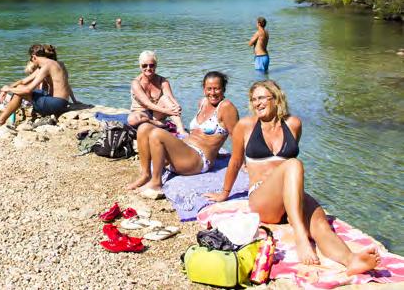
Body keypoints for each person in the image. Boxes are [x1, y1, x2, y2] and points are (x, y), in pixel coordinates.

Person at [204, 80, 380, 274]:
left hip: (291, 195)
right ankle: (301, 237)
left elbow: (289, 163)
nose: (256, 103)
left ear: (276, 98)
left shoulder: (294, 124)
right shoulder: (245, 126)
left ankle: (351, 260)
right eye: (253, 99)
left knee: (321, 223)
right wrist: (225, 193)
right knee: (293, 164)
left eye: (261, 98)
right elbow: (236, 161)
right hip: (263, 199)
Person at [127, 71, 239, 199]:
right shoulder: (203, 102)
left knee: (157, 134)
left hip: (198, 160)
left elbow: (237, 137)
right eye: (209, 89)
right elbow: (201, 134)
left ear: (224, 89)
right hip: (184, 150)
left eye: (217, 89)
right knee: (144, 128)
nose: (212, 93)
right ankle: (146, 174)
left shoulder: (226, 107)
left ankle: (156, 183)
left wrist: (244, 163)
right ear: (204, 89)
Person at [0, 44, 78, 127]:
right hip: (62, 102)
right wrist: (5, 89)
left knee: (20, 91)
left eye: (31, 60)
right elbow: (24, 81)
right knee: (20, 88)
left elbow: (28, 90)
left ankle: (0, 121)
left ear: (34, 57)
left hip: (56, 104)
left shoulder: (47, 66)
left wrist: (8, 89)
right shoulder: (55, 64)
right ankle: (2, 120)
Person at [127, 50, 187, 136]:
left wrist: (177, 106)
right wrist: (167, 111)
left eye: (151, 65)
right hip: (141, 113)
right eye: (144, 65)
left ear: (156, 65)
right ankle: (158, 123)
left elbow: (170, 97)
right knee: (132, 119)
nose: (148, 68)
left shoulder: (163, 81)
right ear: (140, 66)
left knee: (166, 99)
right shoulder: (136, 83)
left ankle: (181, 130)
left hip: (157, 114)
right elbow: (147, 104)